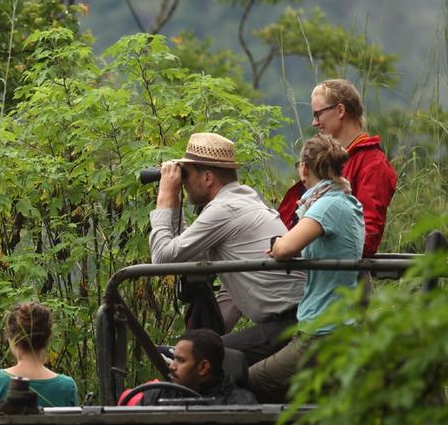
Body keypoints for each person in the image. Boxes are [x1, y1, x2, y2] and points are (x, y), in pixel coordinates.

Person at [149, 132, 304, 366]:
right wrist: (175, 206)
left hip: (289, 324)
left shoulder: (226, 209)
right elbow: (185, 253)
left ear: (208, 177)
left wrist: (165, 197)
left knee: (193, 362)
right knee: (186, 353)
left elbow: (161, 259)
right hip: (291, 318)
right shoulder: (242, 200)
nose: (184, 182)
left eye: (187, 175)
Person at [249, 134, 365, 402]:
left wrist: (278, 244)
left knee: (252, 380)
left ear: (304, 168)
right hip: (334, 323)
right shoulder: (344, 200)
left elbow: (285, 248)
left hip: (321, 331)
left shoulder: (327, 205)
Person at [277, 79, 396, 257]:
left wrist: (305, 241)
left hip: (339, 278)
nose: (314, 123)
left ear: (340, 110)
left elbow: (366, 238)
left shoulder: (373, 163)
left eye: (318, 114)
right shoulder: (330, 159)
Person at [120, 329, 258, 405]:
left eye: (180, 360)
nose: (172, 366)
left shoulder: (239, 403)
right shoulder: (157, 396)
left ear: (203, 367)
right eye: (174, 359)